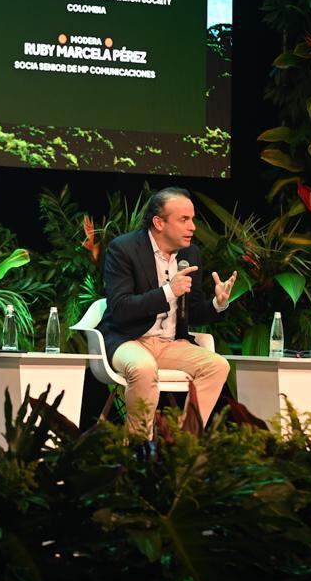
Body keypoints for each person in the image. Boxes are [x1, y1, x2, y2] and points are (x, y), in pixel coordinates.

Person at [97, 187, 238, 439]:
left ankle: (184, 443)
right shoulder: (124, 249)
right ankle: (140, 447)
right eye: (184, 220)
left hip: (170, 344)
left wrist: (217, 304)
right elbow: (120, 308)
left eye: (192, 219)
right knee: (143, 368)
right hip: (128, 339)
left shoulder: (190, 254)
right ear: (159, 222)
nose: (193, 227)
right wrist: (168, 292)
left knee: (217, 366)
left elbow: (192, 312)